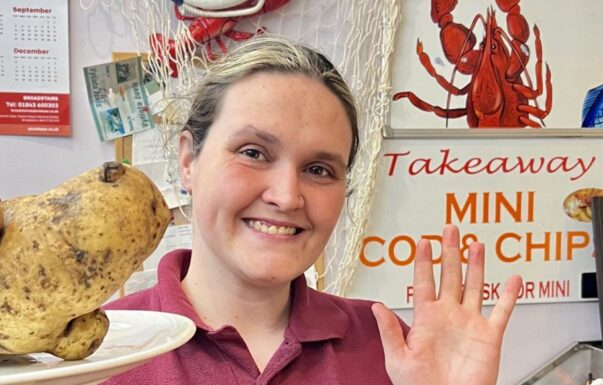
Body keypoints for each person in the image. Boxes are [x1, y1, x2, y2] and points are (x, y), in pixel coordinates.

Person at [102, 35, 523, 385]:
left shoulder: (391, 349)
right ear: (189, 161)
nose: (287, 197)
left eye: (318, 169)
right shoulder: (95, 351)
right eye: (253, 152)